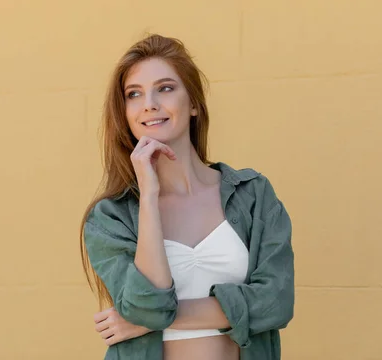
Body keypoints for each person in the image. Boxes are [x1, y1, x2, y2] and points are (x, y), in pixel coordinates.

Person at [79, 34, 294, 360]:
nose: (149, 103)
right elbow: (147, 307)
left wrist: (148, 322)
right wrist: (149, 197)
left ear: (193, 103)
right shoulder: (110, 218)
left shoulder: (253, 196)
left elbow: (276, 302)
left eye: (165, 88)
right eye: (134, 94)